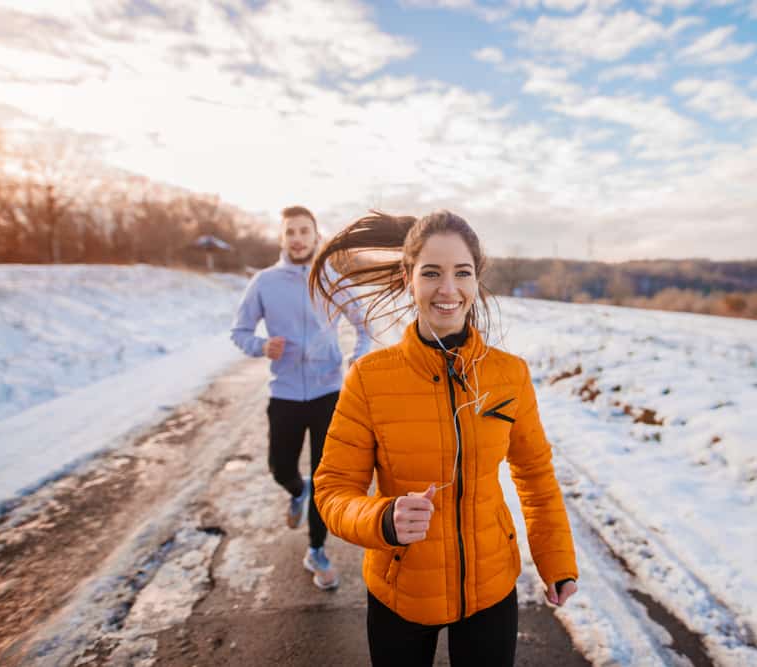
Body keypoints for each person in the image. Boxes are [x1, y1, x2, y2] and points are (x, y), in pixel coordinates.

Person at [309, 210, 578, 666]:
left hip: (492, 589)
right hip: (402, 592)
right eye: (431, 272)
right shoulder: (370, 379)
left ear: (477, 279)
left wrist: (556, 560)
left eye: (462, 273)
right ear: (408, 277)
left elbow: (534, 474)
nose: (448, 289)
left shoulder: (509, 375)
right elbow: (333, 491)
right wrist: (383, 518)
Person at [230, 205, 371, 590]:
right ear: (282, 238)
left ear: (315, 236)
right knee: (280, 467)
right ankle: (296, 490)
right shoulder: (264, 283)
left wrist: (357, 358)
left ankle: (317, 550)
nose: (297, 238)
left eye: (304, 231)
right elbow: (239, 331)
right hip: (286, 393)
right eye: (290, 231)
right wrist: (262, 346)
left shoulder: (333, 280)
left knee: (325, 478)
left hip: (328, 393)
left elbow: (365, 327)